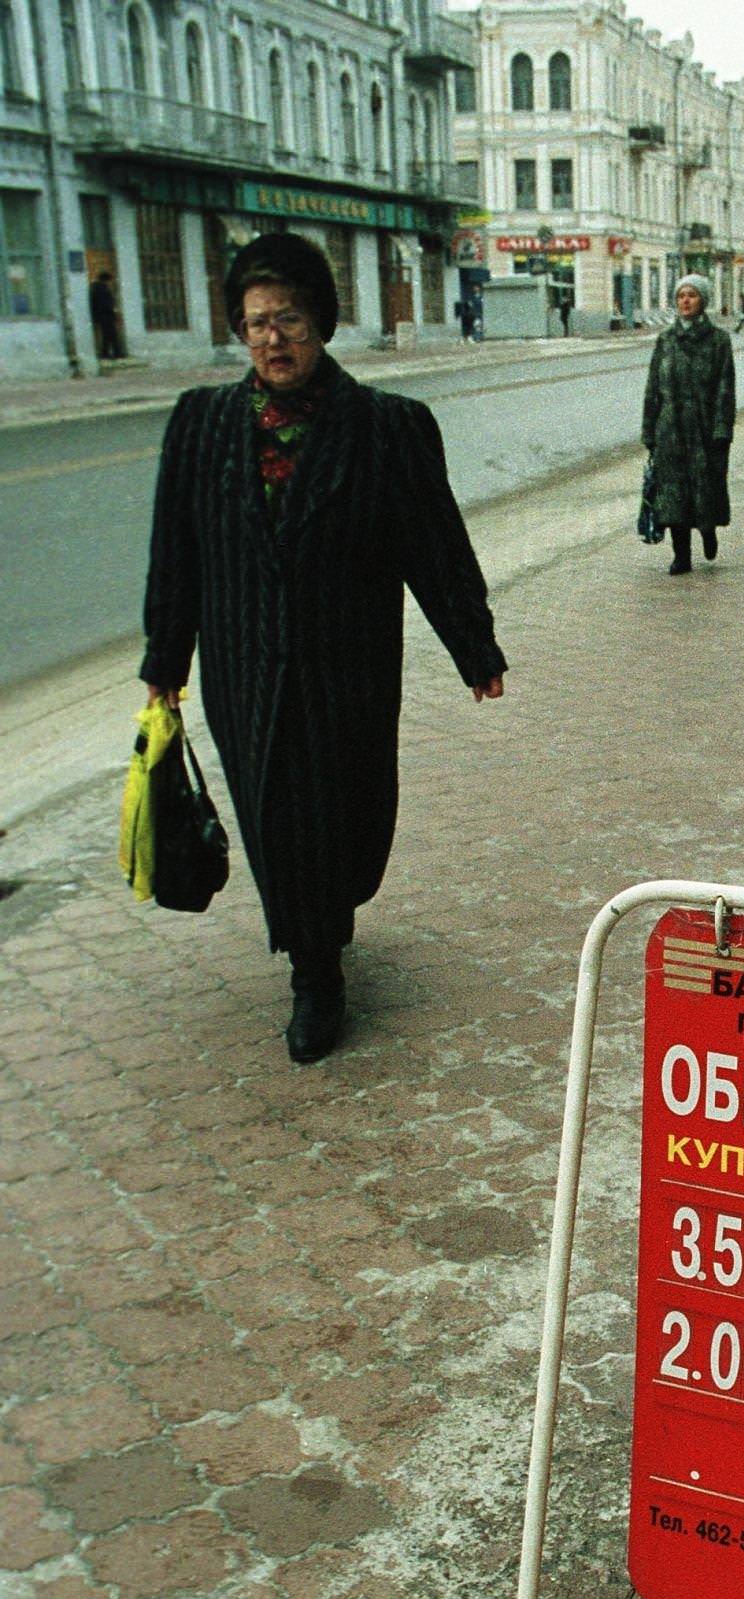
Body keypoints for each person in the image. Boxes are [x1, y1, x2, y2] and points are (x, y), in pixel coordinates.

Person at [140, 232, 507, 1064]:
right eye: (256, 323)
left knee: (347, 815)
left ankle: (327, 922)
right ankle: (316, 975)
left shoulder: (387, 429)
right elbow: (177, 552)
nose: (273, 339)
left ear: (323, 323)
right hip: (244, 667)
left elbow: (435, 545)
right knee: (277, 816)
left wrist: (473, 646)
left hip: (349, 665)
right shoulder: (201, 426)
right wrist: (167, 662)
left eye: (290, 320)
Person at [641, 273, 735, 577]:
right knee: (672, 493)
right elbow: (652, 387)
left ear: (703, 301)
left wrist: (722, 429)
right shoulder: (665, 340)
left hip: (706, 429)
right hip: (670, 429)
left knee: (705, 487)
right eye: (681, 295)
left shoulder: (719, 341)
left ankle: (708, 531)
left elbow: (725, 388)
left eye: (692, 295)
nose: (685, 301)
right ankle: (681, 555)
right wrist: (649, 430)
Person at [89, 271, 121, 360]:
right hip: (106, 315)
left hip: (102, 316)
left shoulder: (95, 287)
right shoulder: (102, 289)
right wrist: (113, 310)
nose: (110, 283)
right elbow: (105, 303)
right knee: (112, 335)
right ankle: (116, 353)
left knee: (106, 336)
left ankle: (106, 353)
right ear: (106, 280)